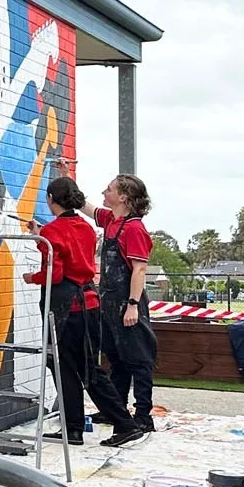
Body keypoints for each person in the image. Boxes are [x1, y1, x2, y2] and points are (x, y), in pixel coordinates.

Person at [25, 176, 139, 447]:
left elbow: (55, 274)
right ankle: (73, 429)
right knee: (79, 367)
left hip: (66, 308)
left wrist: (32, 277)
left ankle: (124, 424)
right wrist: (42, 236)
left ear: (51, 199)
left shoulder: (52, 233)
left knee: (74, 368)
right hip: (89, 303)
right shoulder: (86, 228)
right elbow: (72, 251)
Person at [93, 172, 158, 440]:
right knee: (116, 357)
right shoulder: (111, 220)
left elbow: (139, 270)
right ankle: (115, 408)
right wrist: (64, 176)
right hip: (108, 300)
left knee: (139, 359)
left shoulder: (134, 229)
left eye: (108, 190)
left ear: (123, 197)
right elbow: (85, 206)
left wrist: (132, 305)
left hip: (127, 301)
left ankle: (143, 415)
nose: (103, 194)